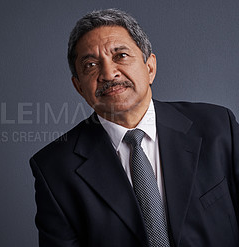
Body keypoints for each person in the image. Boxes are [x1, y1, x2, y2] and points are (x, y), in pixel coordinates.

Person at [30, 9, 239, 247]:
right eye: (91, 64)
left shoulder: (218, 126)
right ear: (78, 87)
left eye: (120, 55)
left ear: (150, 67)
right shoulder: (54, 168)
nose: (108, 73)